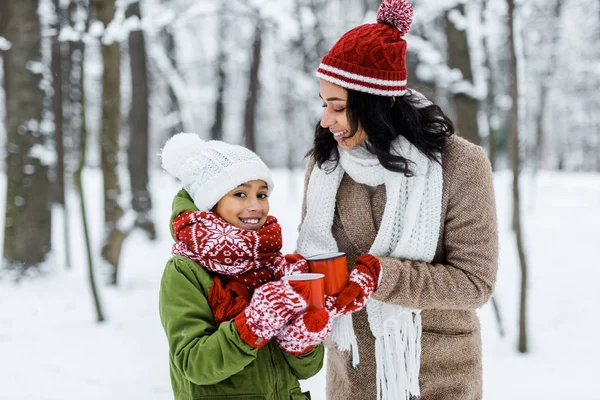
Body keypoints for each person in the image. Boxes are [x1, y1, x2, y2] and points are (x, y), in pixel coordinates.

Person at [296, 0, 499, 399]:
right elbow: (319, 258)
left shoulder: (461, 165)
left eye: (338, 106)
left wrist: (381, 277)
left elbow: (475, 282)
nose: (326, 120)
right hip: (351, 374)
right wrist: (299, 270)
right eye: (324, 104)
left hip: (435, 375)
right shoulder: (327, 165)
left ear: (377, 104)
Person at [158, 133, 329, 400]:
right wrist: (252, 325)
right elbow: (195, 364)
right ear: (210, 201)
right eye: (240, 194)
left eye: (262, 194)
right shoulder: (185, 270)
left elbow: (309, 369)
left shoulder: (274, 263)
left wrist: (302, 338)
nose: (255, 206)